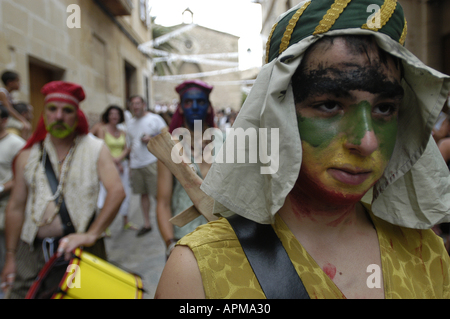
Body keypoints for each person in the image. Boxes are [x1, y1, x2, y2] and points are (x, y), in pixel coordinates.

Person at [155, 0, 450, 299]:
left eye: (385, 108)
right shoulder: (198, 273)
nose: (368, 142)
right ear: (276, 114)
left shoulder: (427, 252)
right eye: (330, 105)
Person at [0, 81, 125, 299]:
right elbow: (16, 207)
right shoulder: (27, 155)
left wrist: (91, 234)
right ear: (44, 113)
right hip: (31, 250)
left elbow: (117, 192)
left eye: (67, 110)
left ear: (76, 115)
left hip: (81, 249)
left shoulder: (95, 148)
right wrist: (10, 256)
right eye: (52, 109)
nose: (59, 116)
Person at [156, 80, 215, 258]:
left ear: (209, 107)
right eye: (188, 102)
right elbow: (163, 203)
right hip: (185, 242)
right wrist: (170, 244)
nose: (195, 107)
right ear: (180, 108)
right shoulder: (170, 149)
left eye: (201, 102)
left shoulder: (225, 143)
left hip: (223, 236)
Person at [126, 95, 167, 237]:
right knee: (143, 194)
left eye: (138, 103)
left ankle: (166, 222)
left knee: (158, 194)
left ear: (143, 104)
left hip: (152, 162)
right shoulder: (130, 123)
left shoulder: (154, 119)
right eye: (133, 104)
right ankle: (147, 224)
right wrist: (131, 165)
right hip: (136, 164)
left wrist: (152, 137)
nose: (135, 106)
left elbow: (167, 135)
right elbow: (130, 145)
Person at [97, 105, 136, 231]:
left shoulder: (123, 132)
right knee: (105, 194)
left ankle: (125, 221)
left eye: (117, 114)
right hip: (107, 167)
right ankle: (104, 226)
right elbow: (101, 147)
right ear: (107, 116)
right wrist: (115, 162)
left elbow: (126, 148)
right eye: (111, 114)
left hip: (122, 166)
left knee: (125, 193)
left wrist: (119, 160)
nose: (114, 116)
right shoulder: (102, 129)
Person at [0, 105, 25, 296]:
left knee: (7, 259)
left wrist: (1, 188)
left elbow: (22, 176)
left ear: (4, 120)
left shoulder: (16, 144)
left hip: (6, 210)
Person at [0, 71, 31, 139]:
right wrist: (22, 120)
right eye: (17, 81)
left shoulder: (8, 94)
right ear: (10, 83)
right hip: (2, 118)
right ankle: (23, 146)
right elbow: (9, 109)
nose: (19, 84)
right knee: (24, 126)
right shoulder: (2, 93)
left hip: (6, 118)